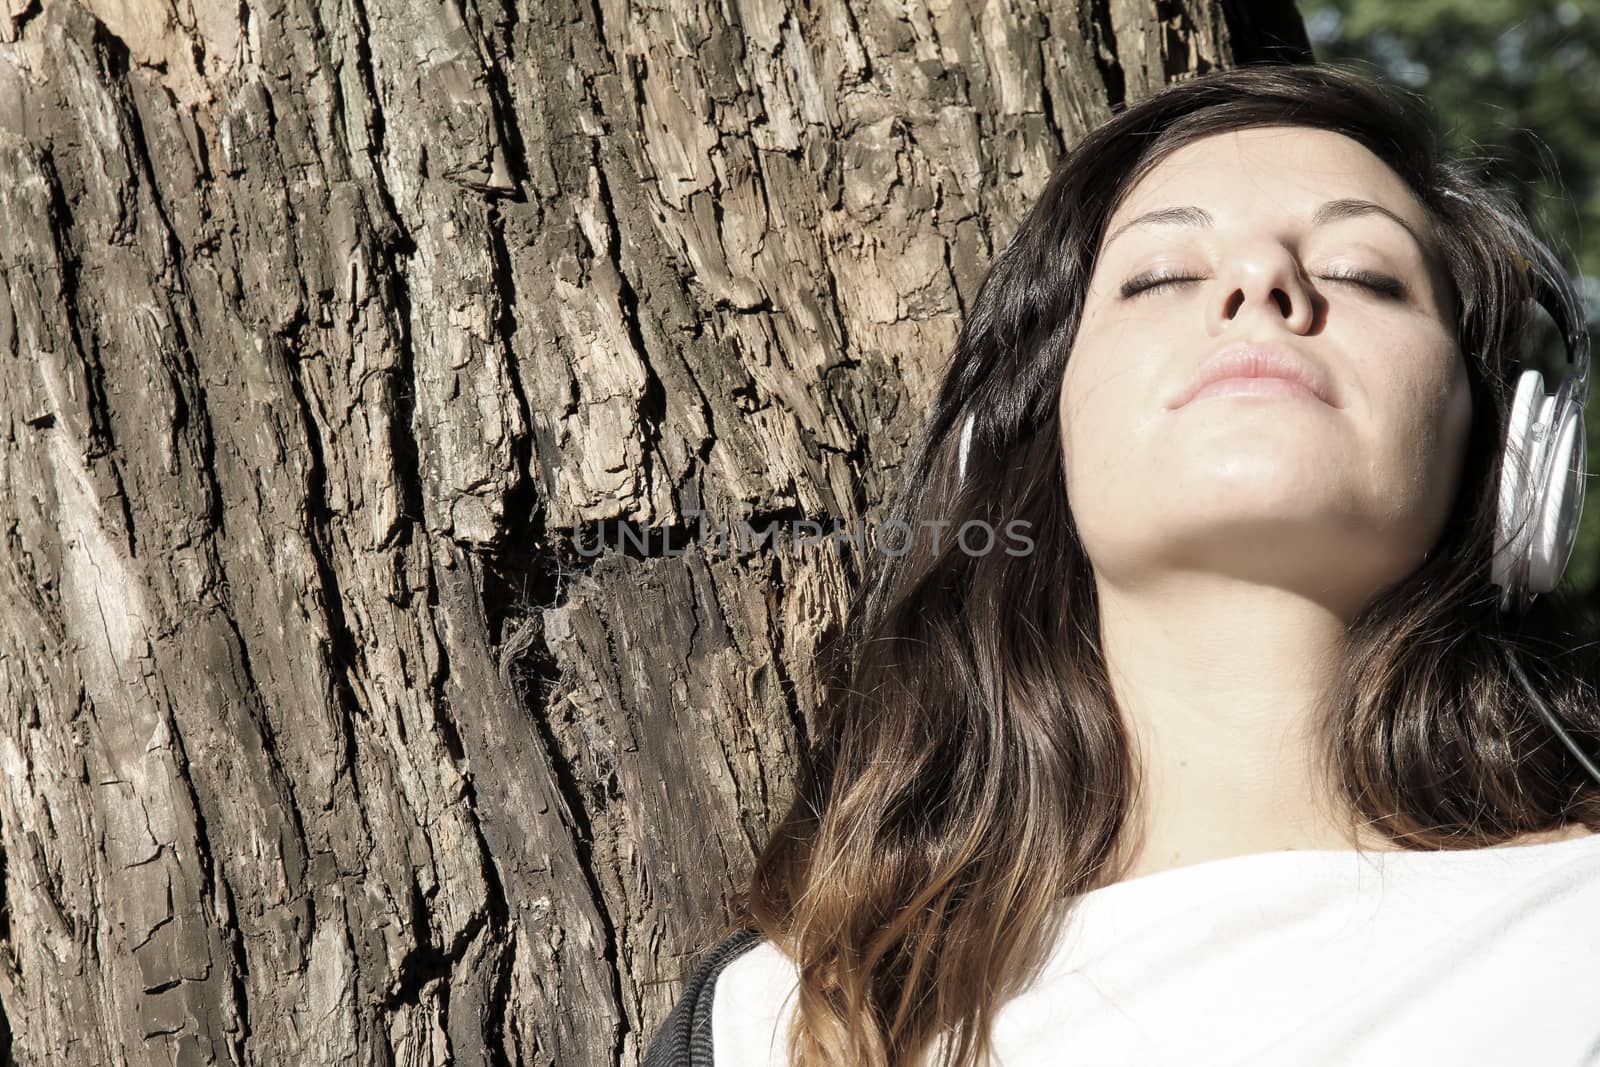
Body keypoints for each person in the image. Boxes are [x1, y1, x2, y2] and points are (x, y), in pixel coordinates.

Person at [641, 61, 1600, 1067]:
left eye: (1364, 272)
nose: (1259, 282)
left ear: (1510, 465)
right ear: (1026, 449)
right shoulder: (768, 1024)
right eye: (1160, 276)